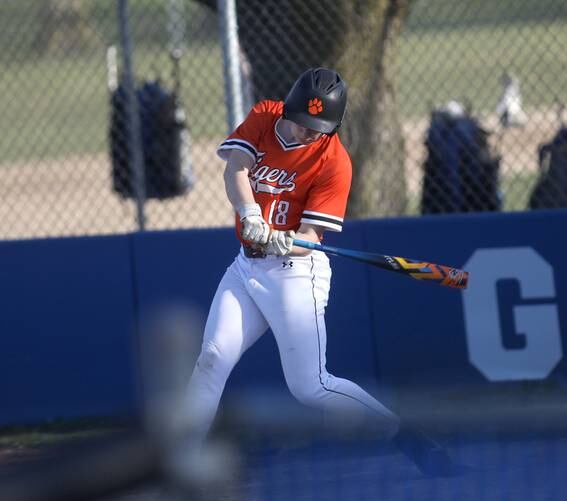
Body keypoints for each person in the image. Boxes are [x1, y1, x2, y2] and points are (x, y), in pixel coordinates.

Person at [184, 67, 457, 477]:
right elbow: (235, 167)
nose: (308, 134)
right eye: (302, 124)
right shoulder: (264, 117)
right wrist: (249, 213)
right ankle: (178, 461)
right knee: (212, 357)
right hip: (246, 267)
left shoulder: (335, 162)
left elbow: (310, 234)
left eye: (318, 129)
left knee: (311, 386)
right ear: (288, 110)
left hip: (296, 271)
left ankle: (406, 436)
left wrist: (282, 237)